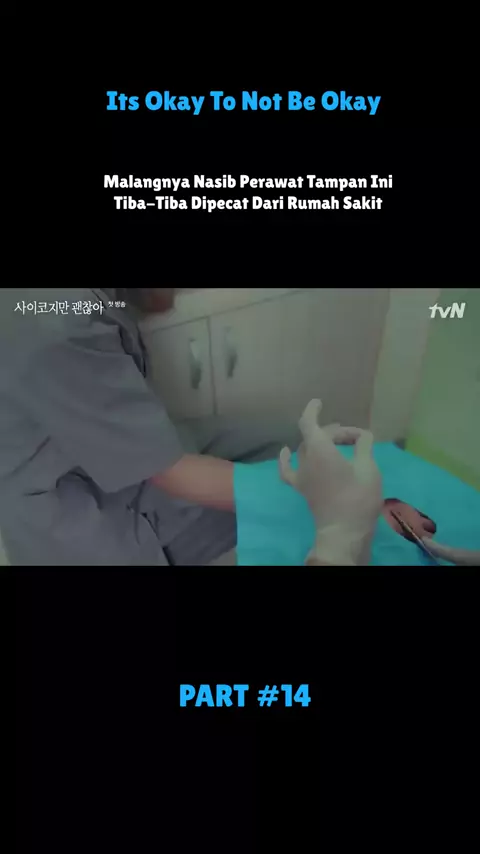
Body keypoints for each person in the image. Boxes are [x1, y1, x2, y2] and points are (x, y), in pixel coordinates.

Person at [0, 287, 305, 566]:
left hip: (118, 451)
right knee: (291, 494)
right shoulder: (54, 317)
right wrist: (303, 492)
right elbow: (170, 474)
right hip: (78, 516)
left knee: (286, 447)